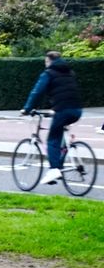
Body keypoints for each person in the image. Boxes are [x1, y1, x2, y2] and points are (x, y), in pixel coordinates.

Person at [20, 50, 83, 185]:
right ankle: (59, 165)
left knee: (52, 140)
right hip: (77, 110)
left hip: (62, 110)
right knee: (61, 137)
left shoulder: (48, 73)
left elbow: (37, 91)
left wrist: (27, 109)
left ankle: (54, 169)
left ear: (49, 61)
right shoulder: (69, 72)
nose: (45, 64)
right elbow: (67, 91)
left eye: (46, 62)